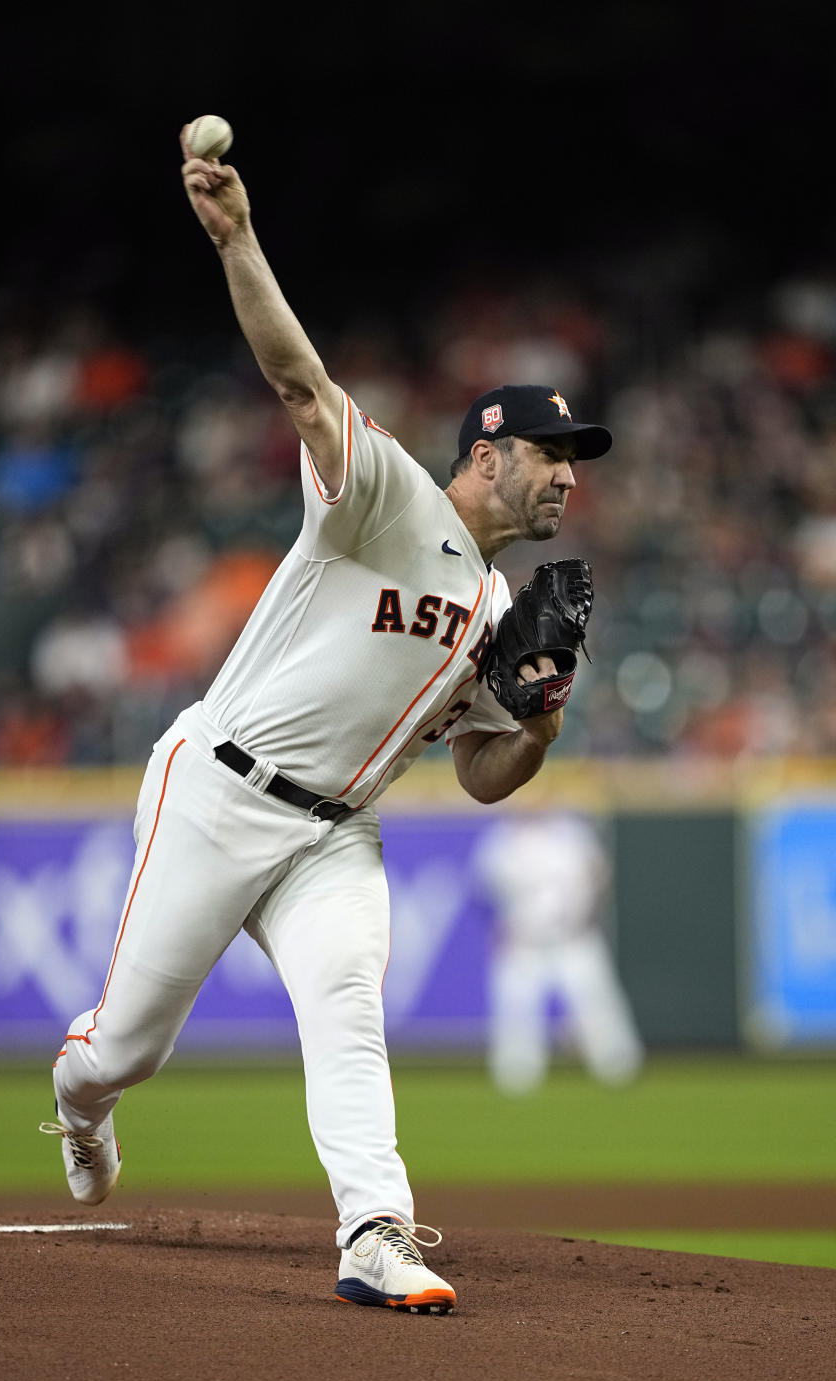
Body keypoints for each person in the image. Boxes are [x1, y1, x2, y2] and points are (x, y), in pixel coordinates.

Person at [40, 128, 613, 1315]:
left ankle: (374, 1233)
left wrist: (543, 722)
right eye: (551, 453)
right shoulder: (391, 498)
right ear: (489, 452)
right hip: (219, 791)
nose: (568, 475)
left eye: (577, 458)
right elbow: (301, 384)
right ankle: (77, 1105)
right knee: (125, 1052)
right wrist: (238, 238)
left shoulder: (501, 609)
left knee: (350, 1012)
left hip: (335, 835)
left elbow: (482, 777)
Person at [476, 811, 645, 1093]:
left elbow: (602, 877)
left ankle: (618, 1069)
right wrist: (499, 926)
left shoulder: (573, 833)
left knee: (598, 1008)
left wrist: (589, 916)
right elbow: (482, 893)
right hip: (523, 942)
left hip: (573, 938)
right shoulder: (499, 841)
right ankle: (517, 1077)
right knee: (515, 1017)